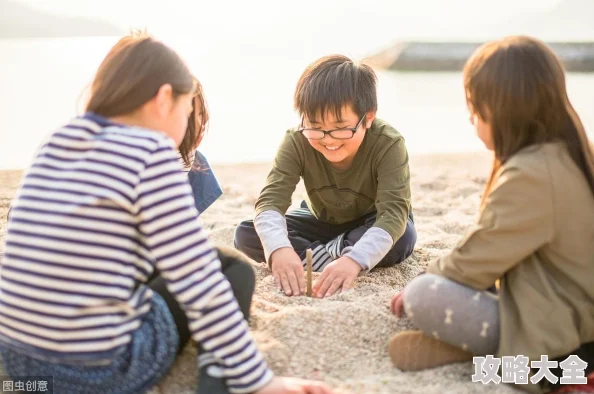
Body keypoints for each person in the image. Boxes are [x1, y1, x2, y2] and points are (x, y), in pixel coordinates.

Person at [0, 33, 334, 394]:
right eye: (187, 108)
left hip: (19, 366)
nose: (188, 121)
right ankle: (220, 383)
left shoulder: (57, 141)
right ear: (163, 98)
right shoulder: (151, 151)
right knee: (230, 269)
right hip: (93, 373)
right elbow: (199, 281)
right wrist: (261, 381)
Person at [389, 36, 594, 394]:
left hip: (567, 346)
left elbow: (473, 262)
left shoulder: (530, 175)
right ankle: (486, 354)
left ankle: (497, 358)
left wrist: (417, 283)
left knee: (424, 294)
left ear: (500, 109)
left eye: (474, 105)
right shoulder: (571, 154)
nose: (470, 118)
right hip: (576, 316)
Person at [234, 55, 417, 298]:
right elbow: (271, 201)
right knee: (245, 233)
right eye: (315, 125)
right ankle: (332, 254)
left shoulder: (388, 143)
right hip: (319, 220)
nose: (327, 138)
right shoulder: (296, 140)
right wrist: (279, 249)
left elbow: (393, 213)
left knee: (403, 236)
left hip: (372, 220)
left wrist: (354, 261)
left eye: (341, 127)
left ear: (368, 117)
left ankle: (330, 256)